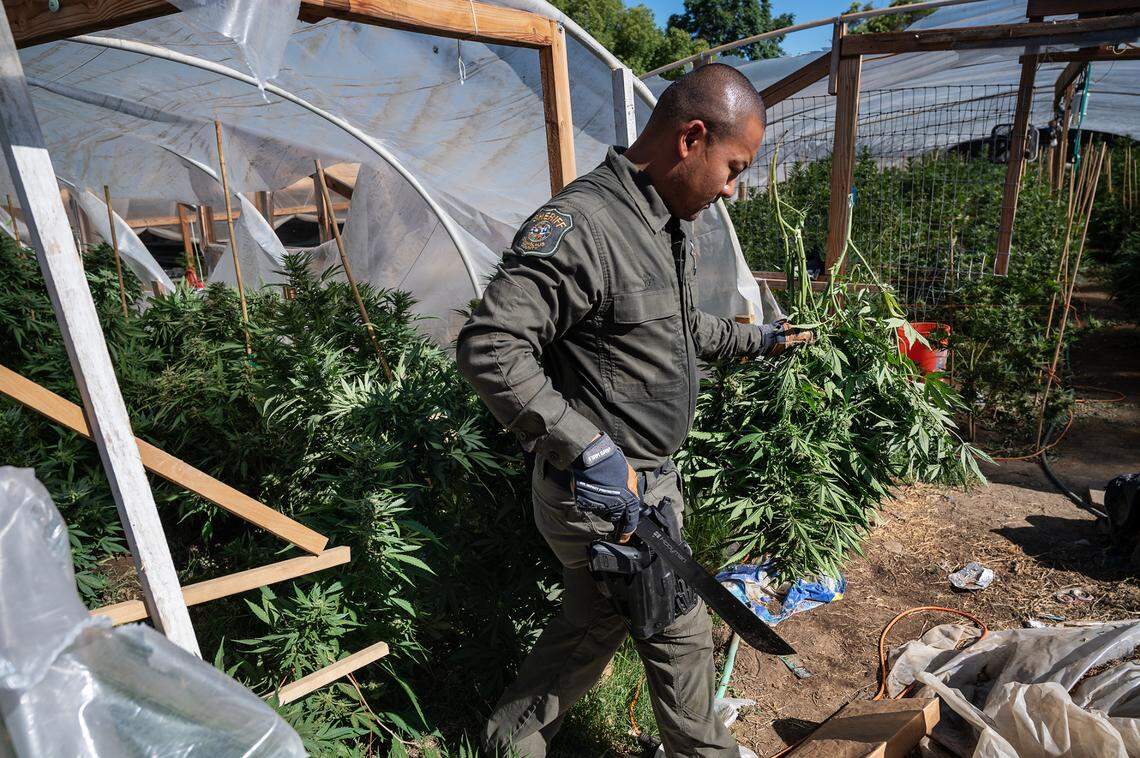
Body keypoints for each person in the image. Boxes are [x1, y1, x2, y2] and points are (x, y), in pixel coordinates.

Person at [456, 63, 812, 757]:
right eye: (733, 167)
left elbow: (680, 329)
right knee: (678, 634)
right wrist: (583, 447)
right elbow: (490, 345)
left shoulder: (665, 222)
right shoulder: (586, 224)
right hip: (604, 494)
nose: (732, 189)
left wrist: (762, 339)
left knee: (591, 627)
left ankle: (506, 743)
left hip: (648, 484)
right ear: (692, 138)